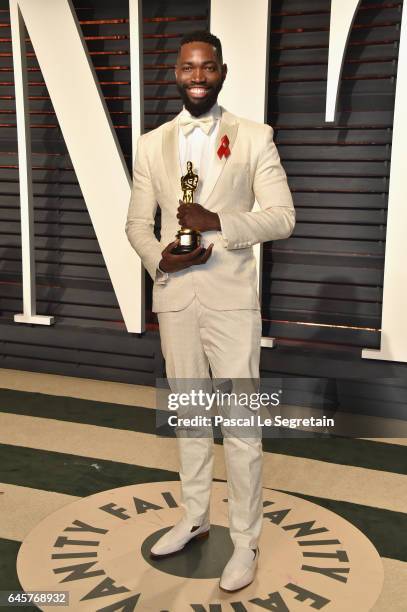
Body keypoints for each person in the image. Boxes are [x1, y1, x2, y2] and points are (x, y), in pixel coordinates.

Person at [125, 30, 295, 592]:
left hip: (230, 302)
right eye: (187, 67)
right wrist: (161, 260)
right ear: (175, 74)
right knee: (192, 419)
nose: (196, 76)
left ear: (221, 72)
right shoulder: (152, 144)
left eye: (206, 68)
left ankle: (245, 541)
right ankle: (196, 516)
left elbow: (281, 218)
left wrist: (218, 222)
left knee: (242, 427)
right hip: (176, 301)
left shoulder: (255, 137)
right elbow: (135, 224)